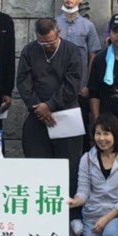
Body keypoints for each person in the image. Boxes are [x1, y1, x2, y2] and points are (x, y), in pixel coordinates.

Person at [17, 18, 86, 188]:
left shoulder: (71, 51)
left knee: (69, 165)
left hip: (66, 114)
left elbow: (73, 83)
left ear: (58, 34)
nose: (47, 45)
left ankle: (70, 209)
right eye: (43, 43)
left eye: (51, 41)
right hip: (37, 114)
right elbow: (23, 82)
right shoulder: (29, 51)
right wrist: (38, 107)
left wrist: (50, 105)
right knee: (37, 163)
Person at [55, 0, 103, 101]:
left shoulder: (88, 26)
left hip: (80, 88)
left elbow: (93, 57)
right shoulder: (53, 24)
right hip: (56, 87)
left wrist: (88, 85)